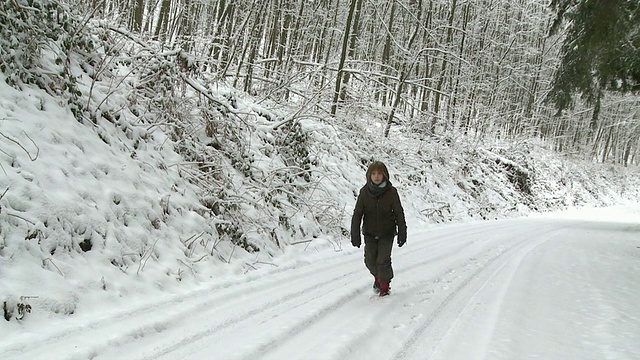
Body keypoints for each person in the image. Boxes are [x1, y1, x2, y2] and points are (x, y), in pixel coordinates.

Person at [350, 161, 407, 296]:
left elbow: (399, 212)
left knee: (383, 260)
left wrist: (402, 232)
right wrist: (355, 235)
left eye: (379, 174)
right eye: (374, 173)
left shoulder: (391, 192)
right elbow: (357, 214)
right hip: (369, 232)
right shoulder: (364, 192)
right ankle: (378, 278)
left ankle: (384, 286)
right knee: (370, 260)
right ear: (369, 176)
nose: (376, 176)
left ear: (384, 175)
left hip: (387, 232)